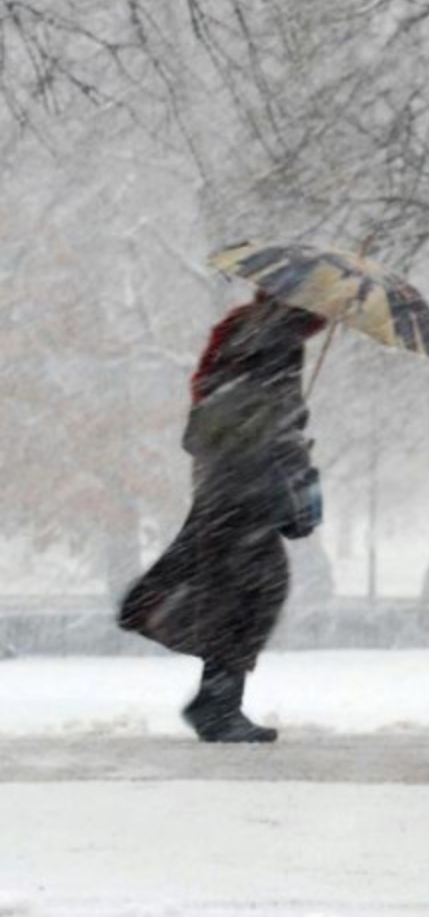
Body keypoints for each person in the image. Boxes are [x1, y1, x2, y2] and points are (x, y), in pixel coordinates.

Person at [119, 292, 327, 743]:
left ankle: (215, 701)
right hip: (245, 483)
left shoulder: (246, 328)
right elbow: (271, 416)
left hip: (222, 479)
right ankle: (216, 705)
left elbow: (228, 405)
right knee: (254, 591)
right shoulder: (280, 337)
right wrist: (294, 458)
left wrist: (283, 431)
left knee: (235, 590)